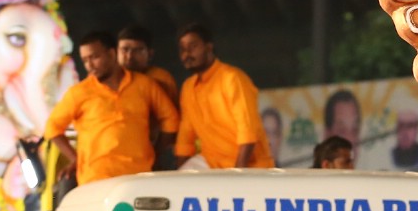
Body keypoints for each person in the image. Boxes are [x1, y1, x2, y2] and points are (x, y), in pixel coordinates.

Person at [45, 32, 180, 183]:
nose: (90, 65)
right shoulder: (79, 93)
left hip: (139, 177)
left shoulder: (144, 85)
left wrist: (155, 153)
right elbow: (52, 128)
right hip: (96, 179)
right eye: (85, 60)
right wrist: (76, 159)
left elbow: (171, 119)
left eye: (94, 57)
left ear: (111, 54)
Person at [173, 24, 274, 169]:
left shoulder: (232, 78)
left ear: (209, 47)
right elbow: (186, 135)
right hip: (210, 161)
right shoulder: (188, 87)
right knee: (179, 183)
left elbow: (248, 130)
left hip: (247, 164)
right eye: (182, 49)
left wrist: (237, 173)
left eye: (193, 46)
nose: (186, 54)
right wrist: (177, 173)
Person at [118, 25, 180, 104]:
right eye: (125, 49)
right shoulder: (107, 79)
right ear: (116, 52)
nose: (130, 56)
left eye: (137, 50)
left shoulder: (163, 79)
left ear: (150, 54)